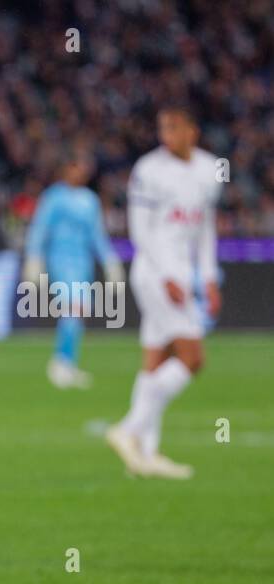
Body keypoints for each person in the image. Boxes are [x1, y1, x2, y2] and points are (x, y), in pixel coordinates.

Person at [106, 107, 221, 480]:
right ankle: (129, 429)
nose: (165, 135)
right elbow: (140, 231)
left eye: (173, 128)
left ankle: (146, 454)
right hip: (155, 274)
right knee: (192, 358)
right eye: (161, 128)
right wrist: (168, 274)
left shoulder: (211, 169)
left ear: (193, 130)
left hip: (182, 276)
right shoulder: (148, 170)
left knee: (156, 359)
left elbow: (204, 228)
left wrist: (208, 277)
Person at [23, 149, 123, 389]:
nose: (83, 172)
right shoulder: (54, 197)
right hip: (61, 260)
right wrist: (34, 258)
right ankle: (61, 363)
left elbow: (96, 235)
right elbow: (39, 229)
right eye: (79, 166)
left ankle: (66, 362)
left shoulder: (90, 200)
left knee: (77, 312)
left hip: (82, 263)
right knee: (73, 308)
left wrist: (110, 260)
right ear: (67, 168)